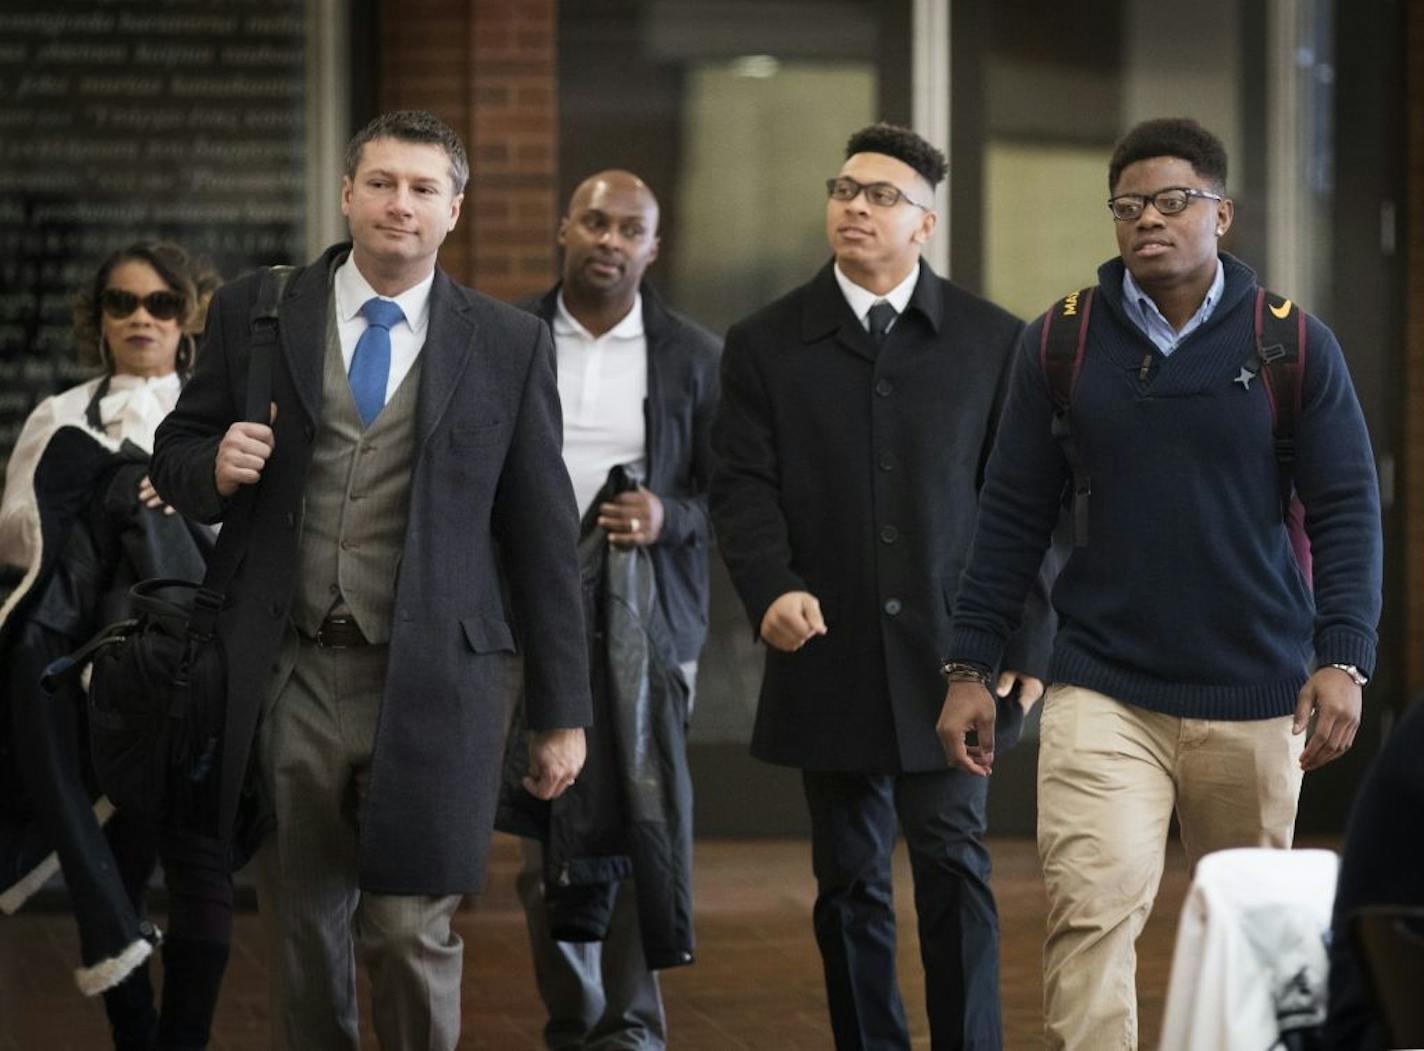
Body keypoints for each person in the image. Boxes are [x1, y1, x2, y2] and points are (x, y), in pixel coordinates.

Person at [936, 117, 1383, 1050]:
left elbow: (1346, 508)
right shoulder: (1059, 344)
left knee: (1256, 940)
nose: (1149, 220)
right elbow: (1012, 515)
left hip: (1258, 689)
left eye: (1174, 201)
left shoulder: (1292, 345)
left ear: (1223, 212)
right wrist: (969, 663)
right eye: (1129, 205)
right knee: (1090, 918)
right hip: (1106, 685)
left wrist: (1345, 655)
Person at [149, 110, 592, 1048]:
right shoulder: (258, 312)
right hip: (291, 670)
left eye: (424, 188)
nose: (401, 203)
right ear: (346, 194)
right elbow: (177, 448)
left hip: (437, 680)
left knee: (407, 928)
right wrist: (212, 464)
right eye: (382, 182)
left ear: (455, 209)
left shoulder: (508, 343)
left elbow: (544, 535)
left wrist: (562, 711)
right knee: (305, 932)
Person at [710, 123, 1054, 1050]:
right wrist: (771, 585)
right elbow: (741, 485)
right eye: (845, 188)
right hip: (832, 651)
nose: (856, 206)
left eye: (882, 195)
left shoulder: (994, 341)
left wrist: (1026, 640)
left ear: (925, 224)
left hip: (957, 658)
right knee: (851, 879)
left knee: (954, 861)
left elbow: (1027, 501)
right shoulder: (766, 342)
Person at [509, 169, 719, 1050]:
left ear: (652, 249)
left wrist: (671, 515)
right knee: (538, 823)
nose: (609, 239)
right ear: (565, 228)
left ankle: (632, 1026)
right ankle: (574, 1013)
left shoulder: (695, 355)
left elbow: (735, 494)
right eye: (594, 221)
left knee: (646, 816)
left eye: (629, 229)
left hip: (650, 618)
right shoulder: (506, 337)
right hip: (528, 612)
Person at [0, 240, 228, 1050]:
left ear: (188, 316)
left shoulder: (221, 413)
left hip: (201, 676)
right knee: (120, 865)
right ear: (97, 320)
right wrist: (99, 498)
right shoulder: (57, 417)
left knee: (201, 867)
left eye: (160, 303)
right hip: (99, 684)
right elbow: (20, 542)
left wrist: (174, 503)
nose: (141, 318)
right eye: (122, 303)